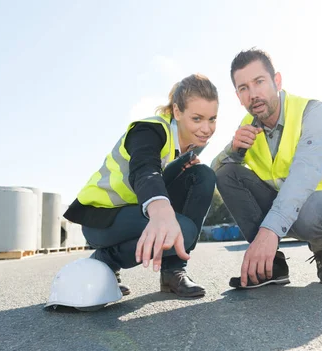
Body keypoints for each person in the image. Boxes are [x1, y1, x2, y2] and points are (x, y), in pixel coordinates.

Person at [211, 49, 322, 289]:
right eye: (244, 88)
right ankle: (271, 266)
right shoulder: (247, 126)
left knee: (311, 209)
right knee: (227, 174)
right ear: (238, 96)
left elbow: (304, 174)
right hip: (289, 209)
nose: (253, 94)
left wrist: (268, 231)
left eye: (259, 82)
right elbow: (215, 172)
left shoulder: (312, 112)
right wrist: (231, 150)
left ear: (277, 81)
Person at [64, 73, 218, 298]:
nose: (206, 128)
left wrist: (180, 166)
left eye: (212, 119)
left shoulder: (182, 148)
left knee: (202, 175)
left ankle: (173, 272)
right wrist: (161, 212)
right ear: (177, 112)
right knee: (182, 231)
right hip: (101, 217)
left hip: (132, 212)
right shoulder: (148, 130)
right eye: (197, 119)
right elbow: (144, 170)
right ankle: (105, 261)